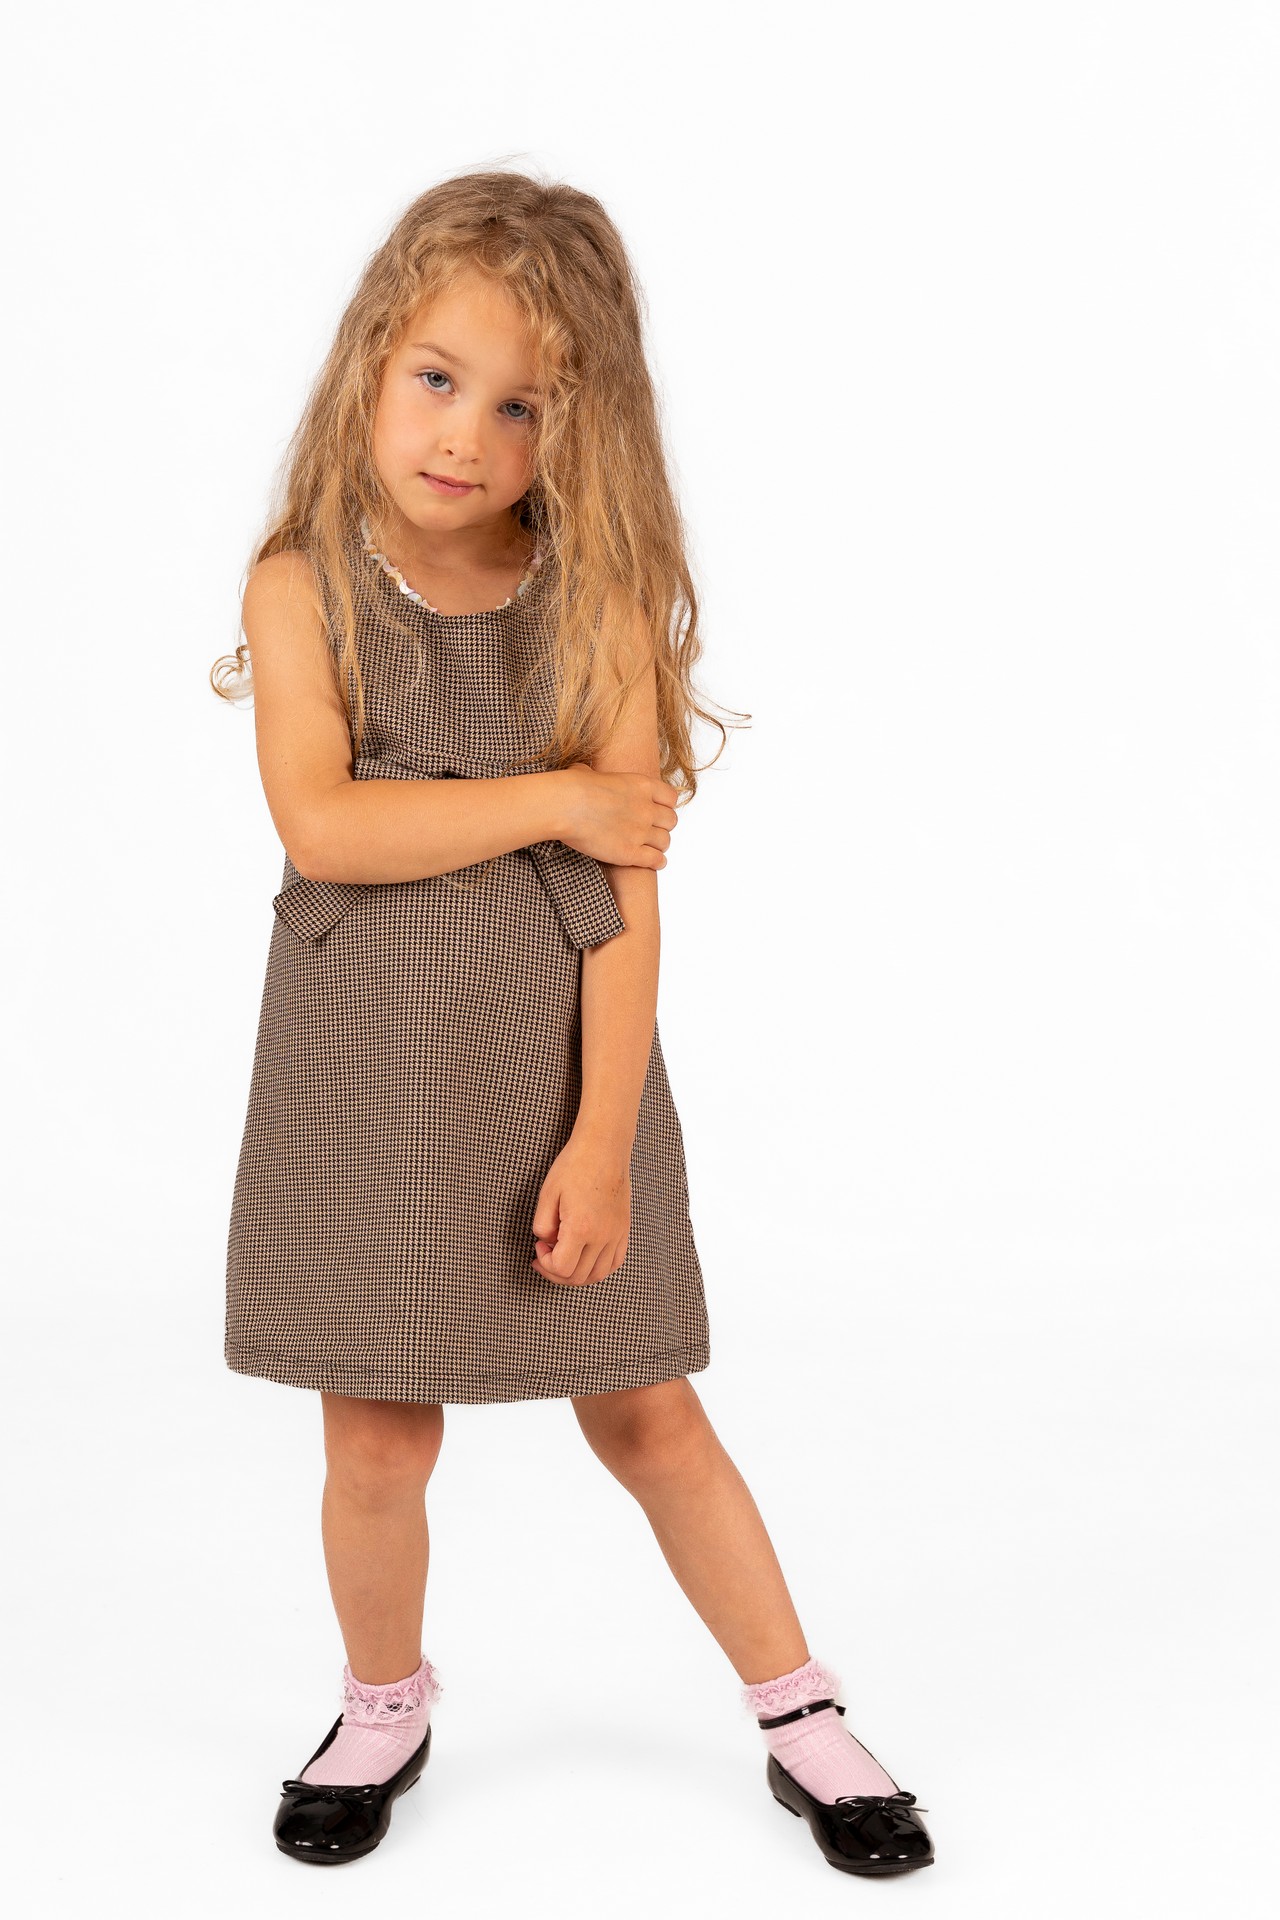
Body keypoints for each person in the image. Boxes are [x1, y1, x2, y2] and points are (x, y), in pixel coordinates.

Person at [211, 167, 933, 1877]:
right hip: (366, 1074)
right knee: (377, 1437)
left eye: (519, 404)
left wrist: (601, 1140)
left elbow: (627, 902)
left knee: (649, 1415)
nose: (464, 435)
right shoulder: (301, 586)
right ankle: (381, 1703)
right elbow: (325, 826)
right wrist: (554, 801)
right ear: (371, 364)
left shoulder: (590, 602)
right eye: (436, 379)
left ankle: (803, 1714)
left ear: (575, 427)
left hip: (554, 1072)